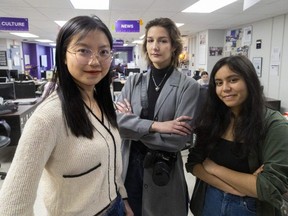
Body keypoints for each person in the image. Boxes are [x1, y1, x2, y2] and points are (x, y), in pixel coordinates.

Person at [0, 15, 133, 216]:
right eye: (83, 50)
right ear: (63, 55)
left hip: (115, 207)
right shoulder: (47, 119)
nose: (95, 60)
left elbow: (111, 158)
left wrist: (122, 198)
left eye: (103, 52)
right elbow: (13, 205)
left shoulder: (101, 101)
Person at [115, 17, 200, 216]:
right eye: (150, 40)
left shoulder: (188, 87)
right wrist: (158, 126)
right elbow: (118, 123)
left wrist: (133, 128)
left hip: (163, 169)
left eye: (162, 40)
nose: (155, 46)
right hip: (130, 169)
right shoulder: (134, 81)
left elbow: (178, 141)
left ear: (173, 46)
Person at [186, 55, 288, 216]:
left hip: (251, 208)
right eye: (219, 83)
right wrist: (238, 187)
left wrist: (214, 168)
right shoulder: (213, 119)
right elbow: (193, 163)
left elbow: (269, 187)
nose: (225, 88)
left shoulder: (273, 125)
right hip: (209, 201)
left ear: (249, 81)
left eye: (233, 80)